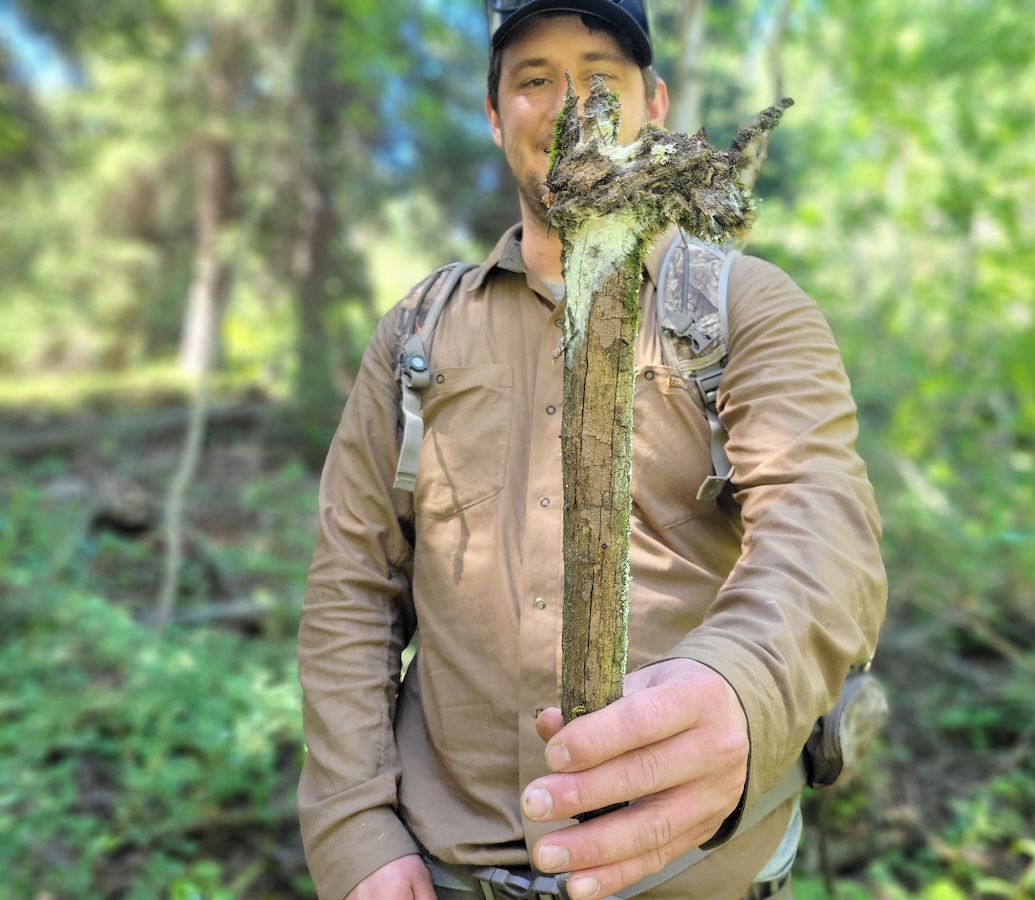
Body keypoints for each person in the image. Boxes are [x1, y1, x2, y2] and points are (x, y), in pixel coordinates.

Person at [296, 1, 888, 899]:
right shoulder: (419, 332)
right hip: (443, 872)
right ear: (494, 114)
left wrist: (742, 687)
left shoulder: (747, 311)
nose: (572, 106)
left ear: (657, 104)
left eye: (601, 77)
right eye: (533, 79)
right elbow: (353, 582)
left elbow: (823, 530)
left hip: (692, 877)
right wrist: (356, 834)